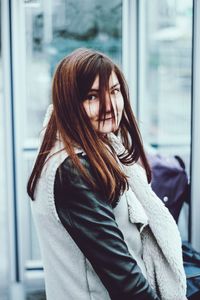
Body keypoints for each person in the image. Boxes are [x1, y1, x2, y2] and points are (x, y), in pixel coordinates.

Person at [27, 48, 187, 300]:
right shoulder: (73, 171)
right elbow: (125, 280)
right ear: (69, 104)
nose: (110, 105)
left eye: (114, 91)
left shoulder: (82, 149)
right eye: (92, 96)